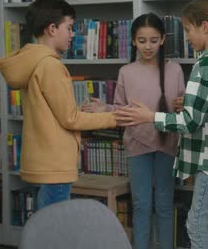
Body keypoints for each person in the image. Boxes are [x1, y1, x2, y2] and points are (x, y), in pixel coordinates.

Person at [114, 0, 208, 249]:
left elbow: (188, 121)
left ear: (204, 27)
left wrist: (149, 116)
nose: (186, 37)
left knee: (195, 223)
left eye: (187, 29)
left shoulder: (205, 64)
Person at [0, 0, 117, 210]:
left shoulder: (32, 62)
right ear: (52, 29)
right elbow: (70, 119)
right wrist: (114, 117)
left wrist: (79, 111)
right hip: (55, 165)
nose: (73, 35)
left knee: (43, 227)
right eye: (69, 28)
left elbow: (52, 114)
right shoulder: (50, 66)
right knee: (53, 232)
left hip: (40, 162)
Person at [82, 13, 185, 249]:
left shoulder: (175, 70)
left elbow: (181, 109)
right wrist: (104, 108)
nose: (147, 46)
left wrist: (184, 103)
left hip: (167, 145)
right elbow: (121, 110)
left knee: (164, 204)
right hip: (137, 145)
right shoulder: (126, 72)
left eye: (152, 40)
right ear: (133, 41)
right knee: (141, 204)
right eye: (142, 41)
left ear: (162, 40)